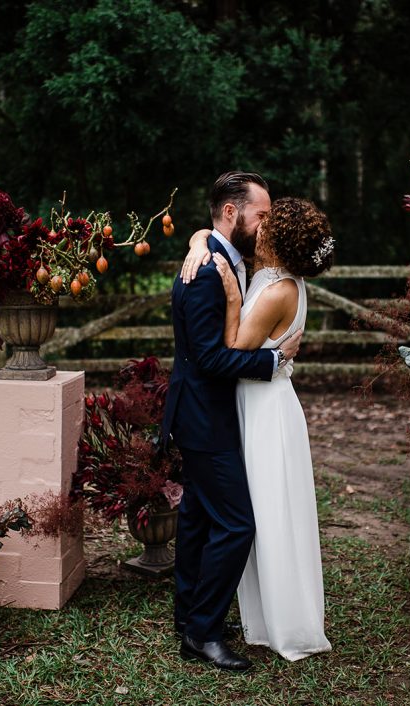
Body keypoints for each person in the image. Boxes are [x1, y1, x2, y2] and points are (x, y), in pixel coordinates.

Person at [159, 172, 302, 672]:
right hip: (204, 418)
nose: (267, 224)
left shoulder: (225, 258)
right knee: (237, 524)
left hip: (211, 415)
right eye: (261, 215)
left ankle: (188, 616)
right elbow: (207, 359)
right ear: (229, 213)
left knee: (198, 517)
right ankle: (202, 634)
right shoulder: (206, 269)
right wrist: (272, 362)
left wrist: (197, 237)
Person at [181, 197, 335, 661]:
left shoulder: (277, 290)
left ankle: (280, 620)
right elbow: (215, 234)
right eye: (261, 215)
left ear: (278, 238)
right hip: (252, 404)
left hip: (266, 411)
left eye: (269, 221)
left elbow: (232, 346)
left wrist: (231, 295)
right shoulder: (264, 272)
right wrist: (198, 239)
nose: (260, 224)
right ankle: (229, 616)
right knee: (252, 515)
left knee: (265, 518)